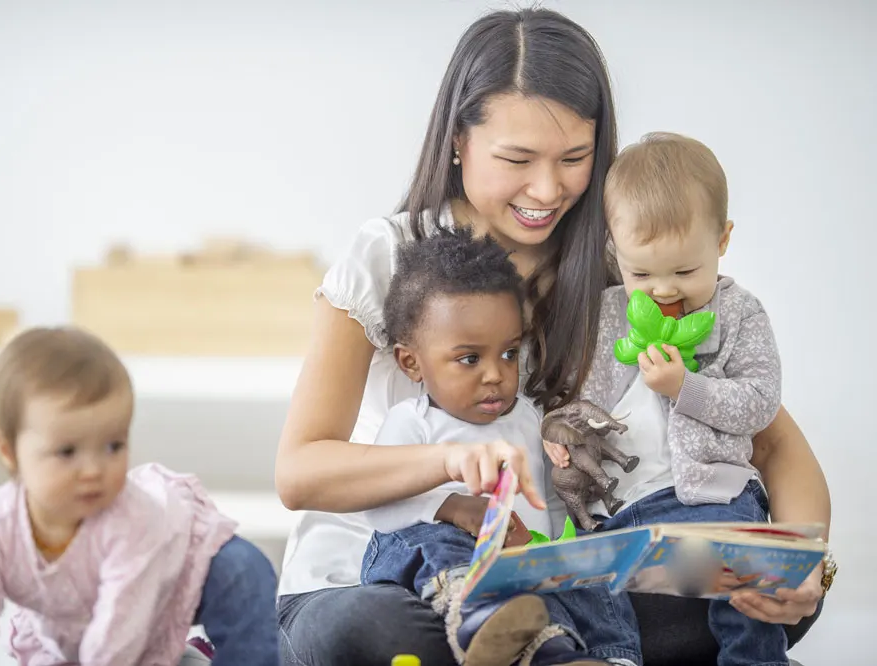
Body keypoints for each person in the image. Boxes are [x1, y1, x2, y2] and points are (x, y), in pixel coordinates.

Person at [274, 7, 832, 666]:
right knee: (381, 632)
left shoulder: (621, 277)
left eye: (574, 158)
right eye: (518, 158)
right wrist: (450, 468)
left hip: (553, 580)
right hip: (374, 575)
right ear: (459, 140)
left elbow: (767, 433)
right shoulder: (391, 255)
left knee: (746, 606)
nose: (548, 188)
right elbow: (300, 471)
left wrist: (809, 565)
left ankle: (548, 645)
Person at [557, 130, 800, 664]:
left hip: (711, 494)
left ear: (722, 240)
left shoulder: (740, 315)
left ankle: (754, 659)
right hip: (624, 511)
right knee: (585, 580)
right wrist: (563, 437)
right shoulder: (608, 315)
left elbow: (758, 403)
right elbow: (582, 402)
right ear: (614, 252)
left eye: (685, 271)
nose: (664, 290)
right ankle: (613, 656)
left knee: (742, 567)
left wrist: (684, 388)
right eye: (641, 272)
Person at [0, 327, 280, 666]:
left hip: (173, 569)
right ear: (8, 451)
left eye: (113, 446)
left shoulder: (129, 517)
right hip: (83, 624)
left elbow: (118, 632)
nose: (94, 470)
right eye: (67, 452)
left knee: (244, 572)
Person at [356, 227, 579, 665]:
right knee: (430, 538)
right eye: (470, 359)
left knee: (584, 581)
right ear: (411, 362)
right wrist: (453, 509)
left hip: (516, 567)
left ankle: (566, 649)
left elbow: (549, 499)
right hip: (432, 577)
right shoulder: (413, 423)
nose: (495, 374)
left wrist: (545, 548)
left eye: (510, 354)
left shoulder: (528, 418)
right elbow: (377, 509)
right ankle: (476, 613)